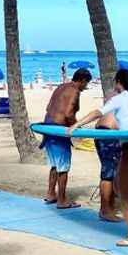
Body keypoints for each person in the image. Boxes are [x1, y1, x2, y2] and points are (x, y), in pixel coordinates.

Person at [69, 69, 128, 247]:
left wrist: (78, 124)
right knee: (120, 189)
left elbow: (98, 112)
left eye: (116, 82)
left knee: (124, 194)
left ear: (119, 82)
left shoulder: (121, 97)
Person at [41, 67, 92, 209]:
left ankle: (51, 194)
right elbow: (69, 113)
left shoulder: (61, 87)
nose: (85, 87)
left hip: (47, 127)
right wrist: (75, 128)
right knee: (63, 167)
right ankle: (62, 200)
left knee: (54, 165)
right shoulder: (75, 91)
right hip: (59, 130)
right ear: (82, 80)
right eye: (86, 84)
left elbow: (49, 107)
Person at [94, 110, 122, 222]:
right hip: (109, 134)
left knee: (111, 172)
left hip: (101, 132)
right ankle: (105, 210)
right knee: (108, 174)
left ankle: (109, 207)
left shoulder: (117, 100)